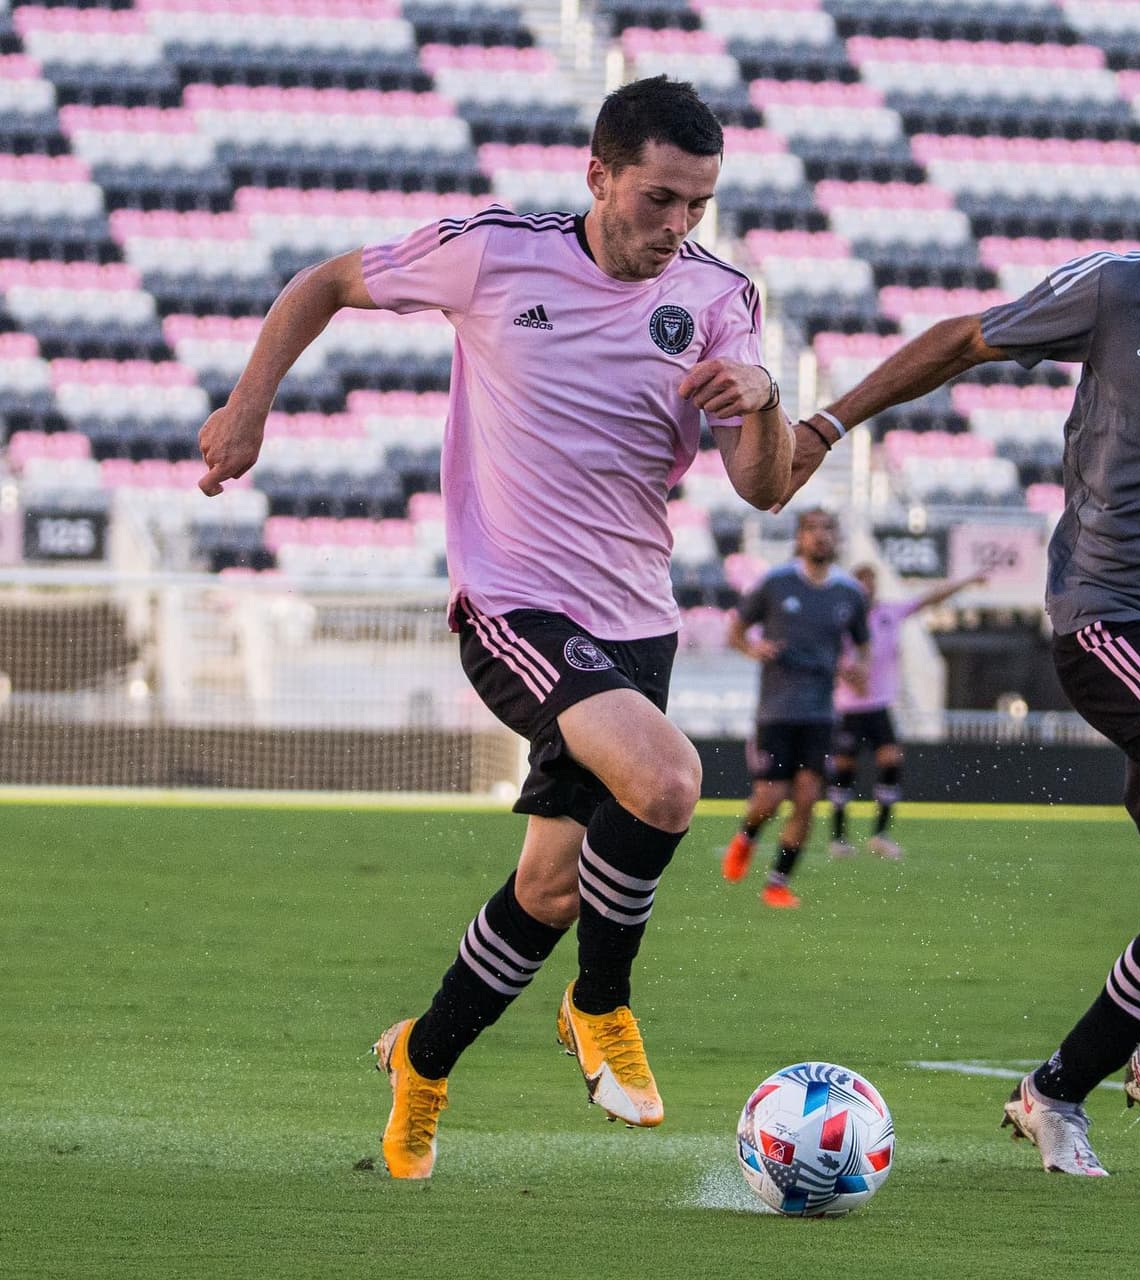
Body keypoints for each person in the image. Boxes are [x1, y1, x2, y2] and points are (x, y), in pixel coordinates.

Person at [196, 75, 793, 1179]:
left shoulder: (718, 295)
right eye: (658, 198)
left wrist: (761, 395)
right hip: (512, 601)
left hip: (636, 621)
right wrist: (250, 406)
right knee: (665, 781)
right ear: (597, 175)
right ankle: (599, 1003)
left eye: (696, 206)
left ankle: (422, 1059)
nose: (676, 228)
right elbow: (324, 282)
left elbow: (764, 488)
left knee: (552, 887)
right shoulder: (494, 251)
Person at [779, 86, 1140, 1174]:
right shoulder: (1120, 290)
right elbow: (964, 338)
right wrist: (824, 423)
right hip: (1106, 612)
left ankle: (1053, 1090)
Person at [720, 509, 869, 907]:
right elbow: (735, 627)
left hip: (820, 714)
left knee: (806, 798)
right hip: (776, 711)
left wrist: (857, 669)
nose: (821, 537)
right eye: (812, 530)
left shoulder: (849, 593)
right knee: (769, 798)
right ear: (800, 538)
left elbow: (862, 643)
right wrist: (753, 648)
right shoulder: (776, 583)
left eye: (828, 530)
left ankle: (776, 884)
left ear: (836, 539)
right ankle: (746, 837)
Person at [828, 564, 987, 861]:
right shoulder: (841, 619)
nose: (868, 587)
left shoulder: (889, 613)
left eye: (871, 581)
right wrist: (848, 674)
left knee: (891, 761)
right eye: (862, 582)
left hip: (879, 706)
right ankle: (838, 839)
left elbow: (929, 598)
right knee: (844, 770)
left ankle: (879, 835)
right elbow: (827, 653)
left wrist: (967, 579)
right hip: (850, 707)